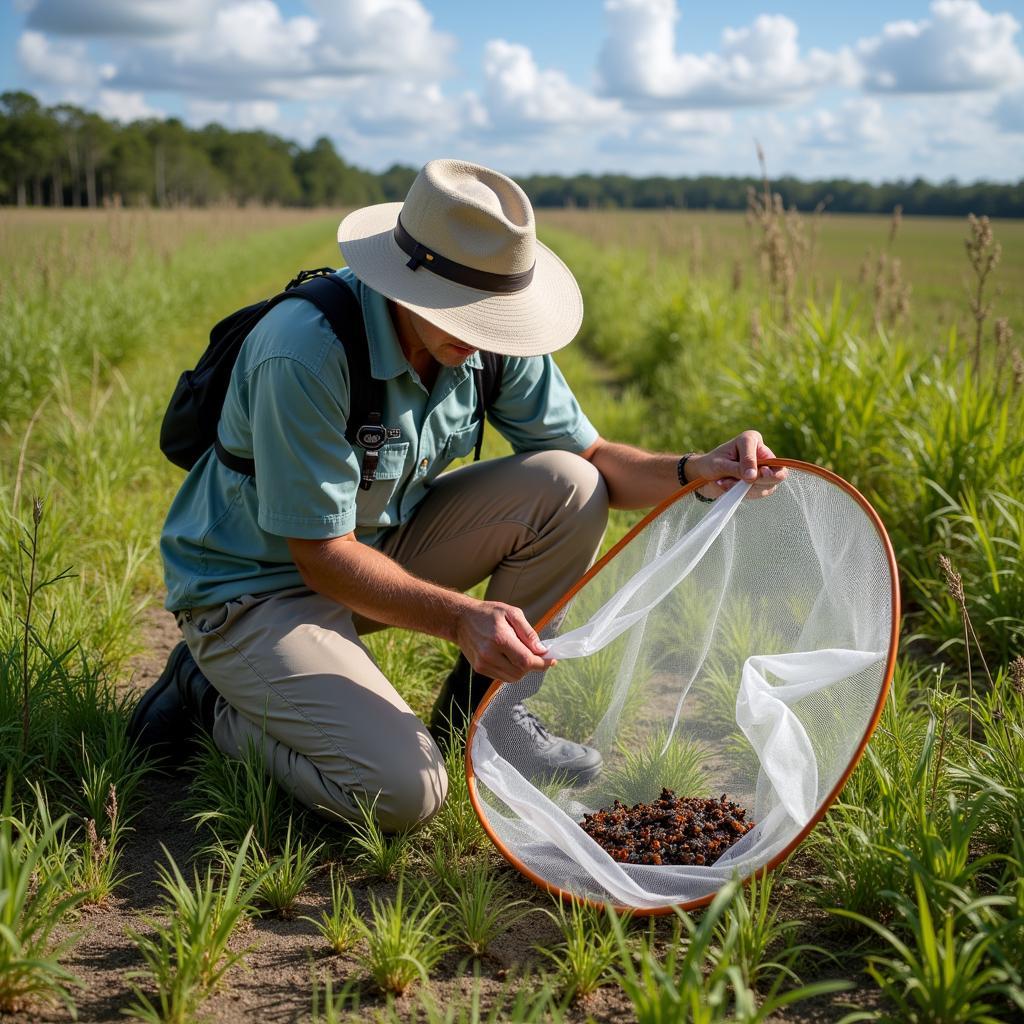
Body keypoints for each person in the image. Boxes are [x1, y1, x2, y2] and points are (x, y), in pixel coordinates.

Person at [131, 159, 784, 834]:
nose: (478, 333)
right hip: (255, 590)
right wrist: (457, 618)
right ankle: (210, 700)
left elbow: (594, 460)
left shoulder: (494, 338)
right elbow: (321, 555)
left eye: (494, 314)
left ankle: (485, 719)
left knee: (571, 485)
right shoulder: (305, 352)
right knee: (404, 794)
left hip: (375, 547)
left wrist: (698, 470)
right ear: (402, 276)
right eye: (458, 309)